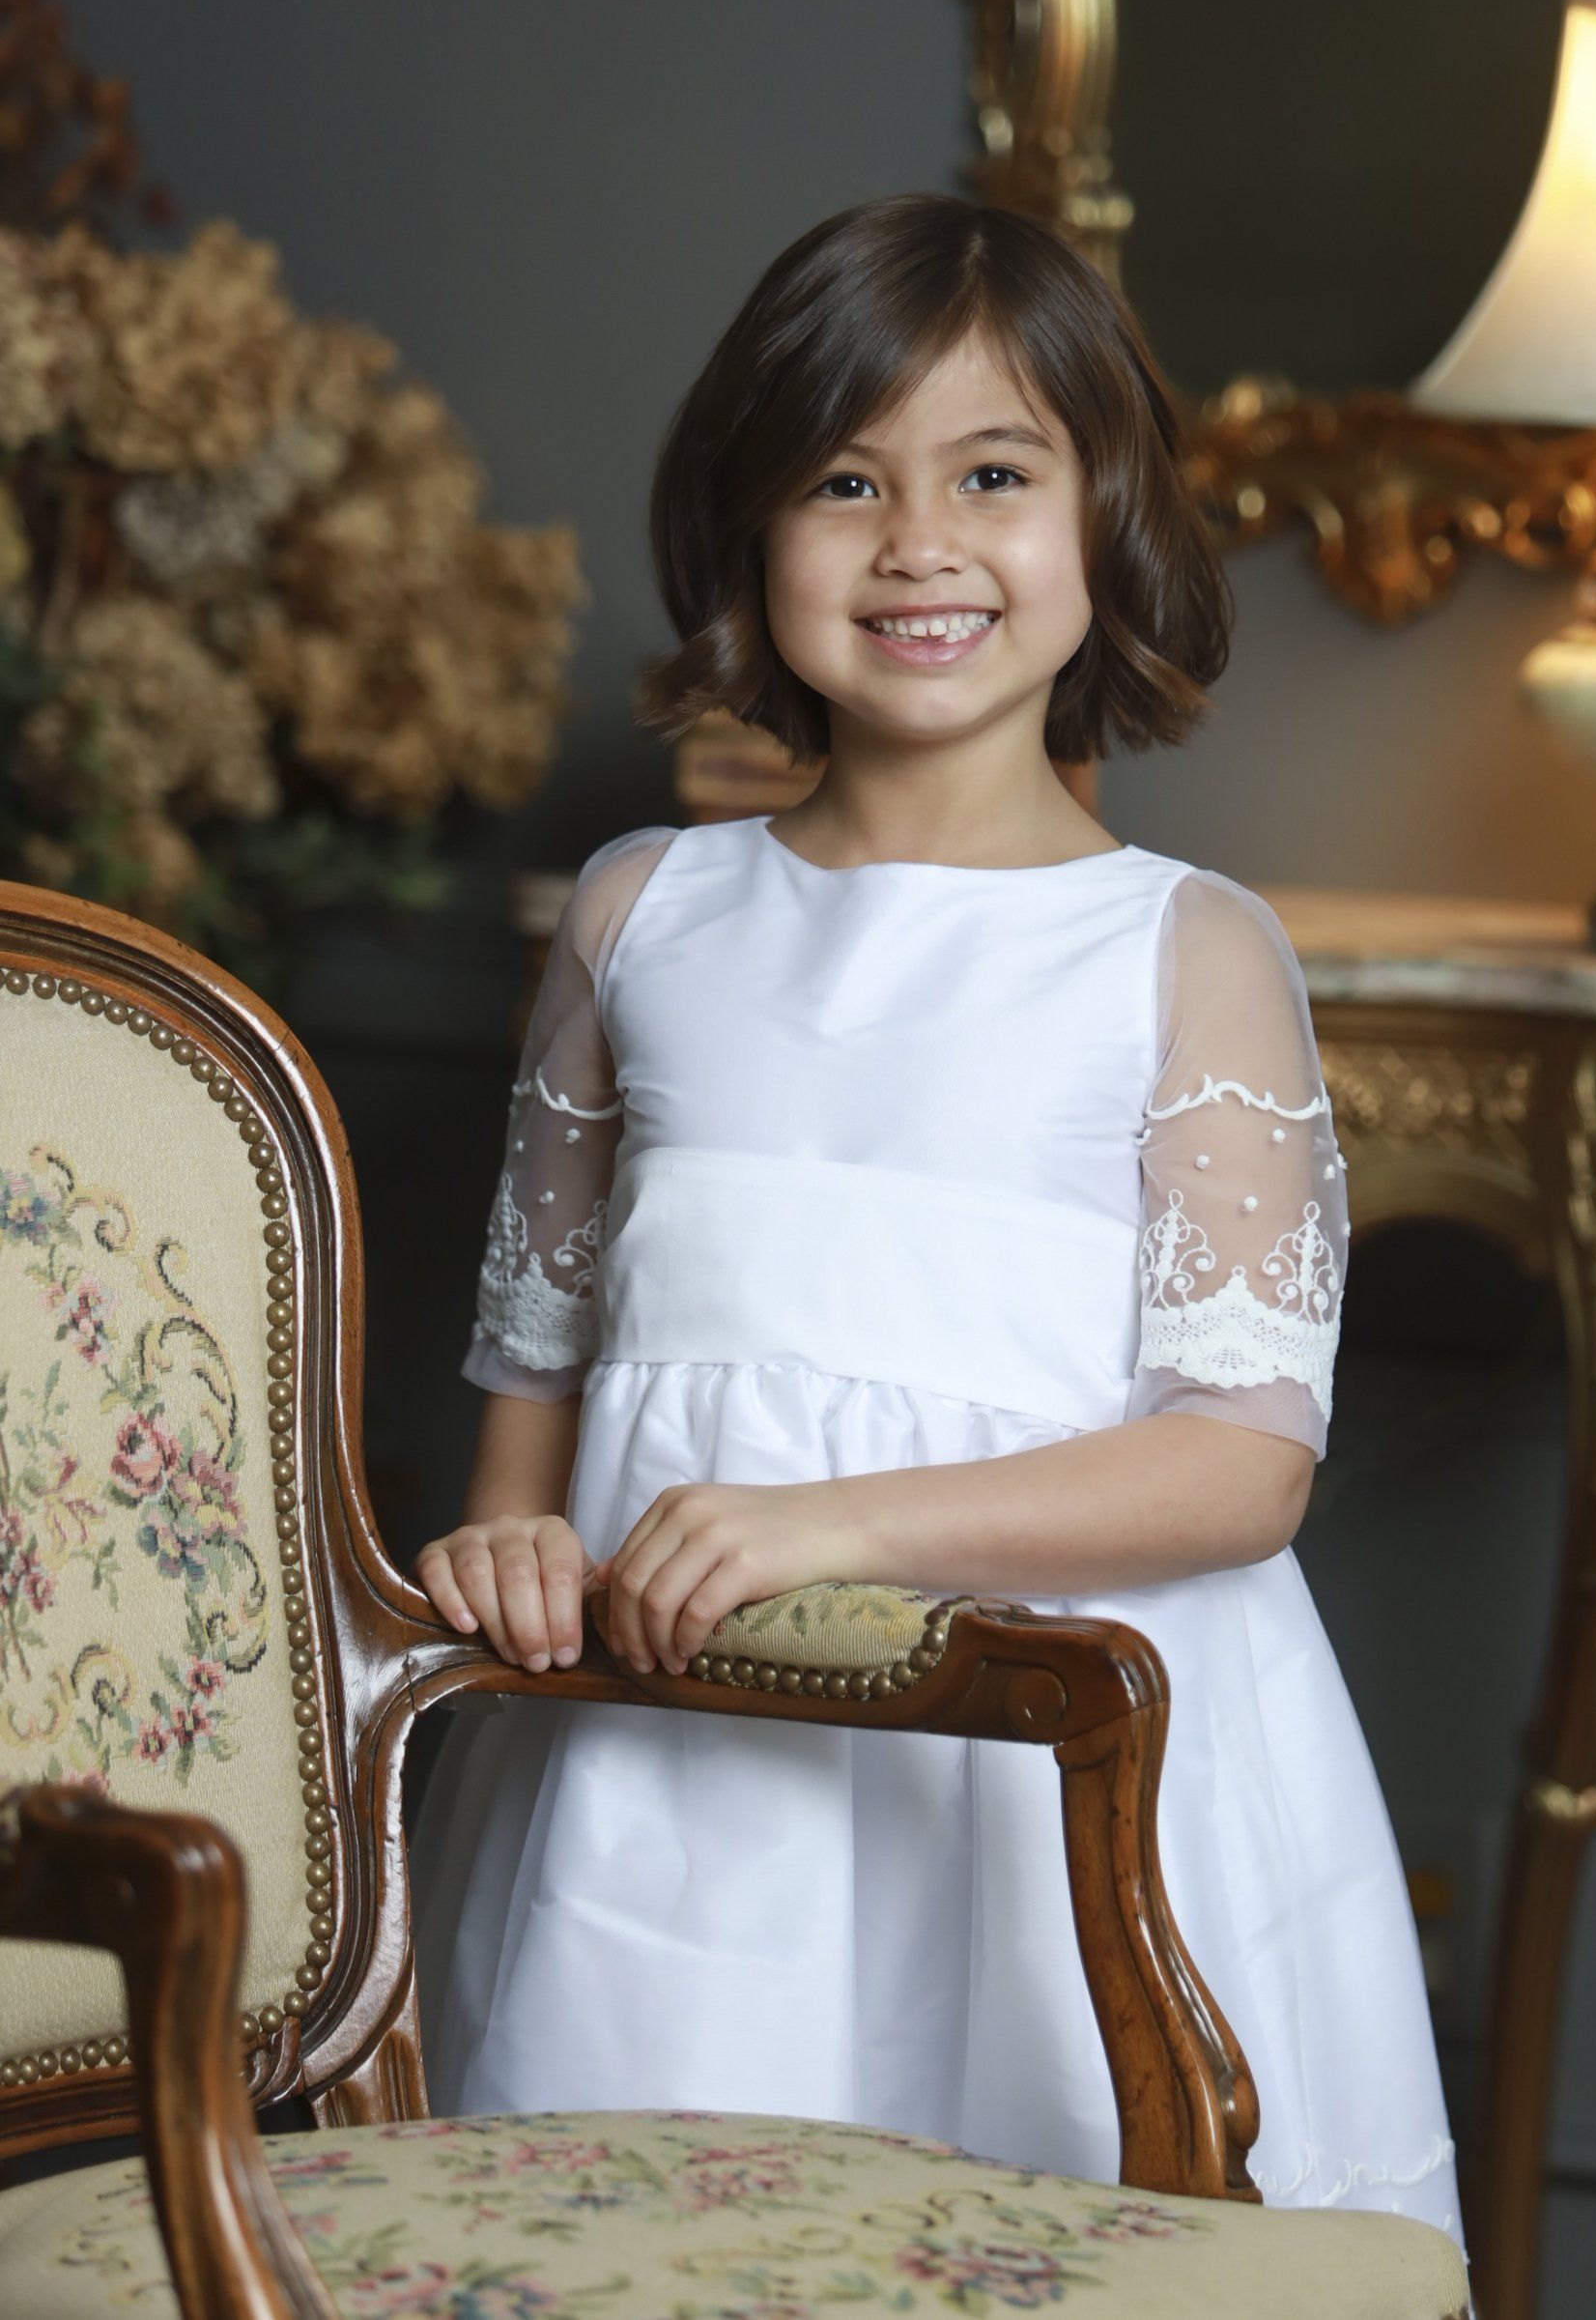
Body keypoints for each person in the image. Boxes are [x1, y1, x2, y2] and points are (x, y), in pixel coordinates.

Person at [408, 191, 1462, 2252]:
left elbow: (1240, 1461)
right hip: (673, 1765)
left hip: (1052, 1797)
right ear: (751, 527)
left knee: (1021, 2215)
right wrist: (517, 1525)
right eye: (845, 480)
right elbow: (540, 1351)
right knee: (651, 2235)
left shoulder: (1183, 951)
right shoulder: (644, 915)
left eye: (994, 474)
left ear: (1109, 522)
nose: (919, 542)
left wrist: (834, 1524)